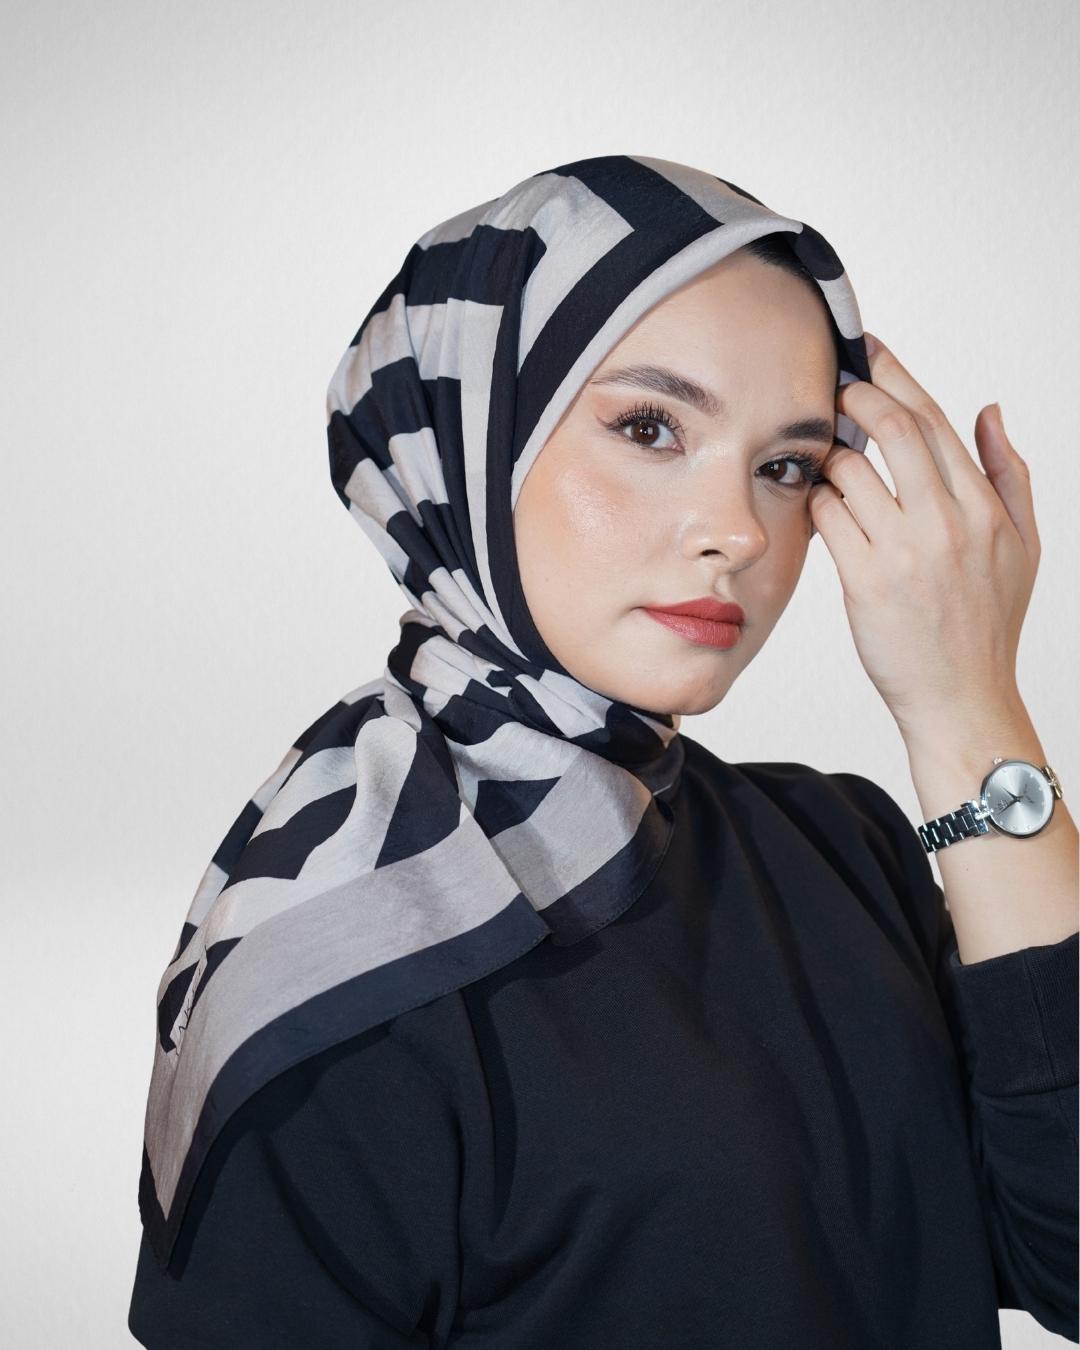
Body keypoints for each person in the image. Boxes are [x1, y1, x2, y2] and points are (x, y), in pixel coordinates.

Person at [127, 154, 1079, 1348]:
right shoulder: (330, 961)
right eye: (650, 427)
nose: (738, 531)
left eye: (786, 465)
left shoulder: (844, 847)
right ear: (469, 443)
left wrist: (966, 708)